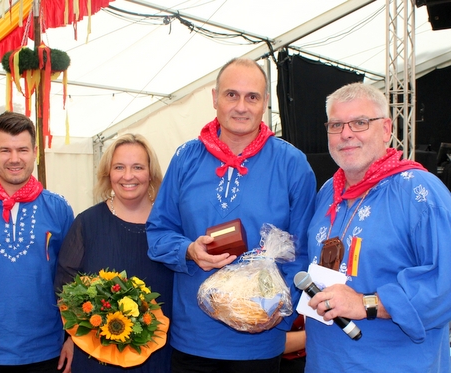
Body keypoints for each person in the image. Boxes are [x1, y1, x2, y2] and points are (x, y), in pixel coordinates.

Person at [146, 57, 316, 373]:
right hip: (193, 337)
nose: (241, 106)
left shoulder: (292, 165)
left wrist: (275, 315)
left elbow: (304, 252)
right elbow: (158, 232)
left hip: (259, 342)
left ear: (265, 102)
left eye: (252, 97)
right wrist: (188, 250)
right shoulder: (186, 158)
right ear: (214, 98)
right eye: (231, 95)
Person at [304, 82, 451, 372]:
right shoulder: (327, 194)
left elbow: (445, 281)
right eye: (336, 125)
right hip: (326, 362)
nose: (346, 134)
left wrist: (367, 303)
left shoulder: (419, 192)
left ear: (386, 129)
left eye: (359, 122)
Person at [0, 111, 74, 373]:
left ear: (35, 152)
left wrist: (74, 340)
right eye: (5, 150)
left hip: (46, 350)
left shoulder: (59, 209)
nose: (15, 159)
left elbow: (73, 282)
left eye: (22, 150)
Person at [54, 133, 173, 373]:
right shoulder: (87, 223)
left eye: (137, 167)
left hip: (159, 358)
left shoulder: (170, 223)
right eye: (119, 167)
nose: (128, 176)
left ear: (151, 173)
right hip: (96, 358)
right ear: (108, 173)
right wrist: (71, 337)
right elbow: (64, 287)